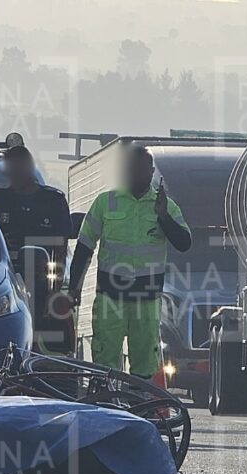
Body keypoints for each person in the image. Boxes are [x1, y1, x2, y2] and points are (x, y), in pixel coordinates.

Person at [67, 144, 191, 379]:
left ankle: (139, 407)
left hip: (146, 301)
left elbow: (184, 243)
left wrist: (163, 217)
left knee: (144, 364)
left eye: (142, 169)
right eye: (132, 169)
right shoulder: (106, 202)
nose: (137, 174)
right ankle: (108, 408)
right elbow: (84, 248)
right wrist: (75, 288)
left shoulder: (164, 206)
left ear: (152, 171)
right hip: (110, 299)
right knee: (105, 363)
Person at [0, 145, 72, 282]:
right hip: (2, 280)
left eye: (17, 170)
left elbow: (60, 250)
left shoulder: (54, 202)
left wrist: (55, 289)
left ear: (28, 169)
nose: (13, 175)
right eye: (10, 171)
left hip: (42, 280)